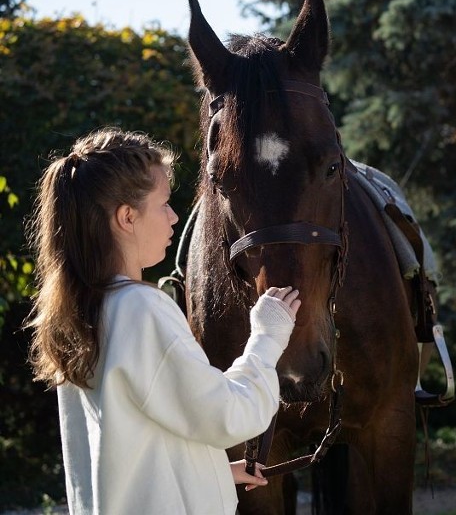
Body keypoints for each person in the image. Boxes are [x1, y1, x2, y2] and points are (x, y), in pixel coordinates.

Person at [25, 128, 301, 514]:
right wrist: (268, 336)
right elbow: (227, 416)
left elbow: (135, 446)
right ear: (127, 217)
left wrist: (217, 470)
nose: (174, 217)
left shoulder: (82, 310)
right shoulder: (139, 309)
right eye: (164, 204)